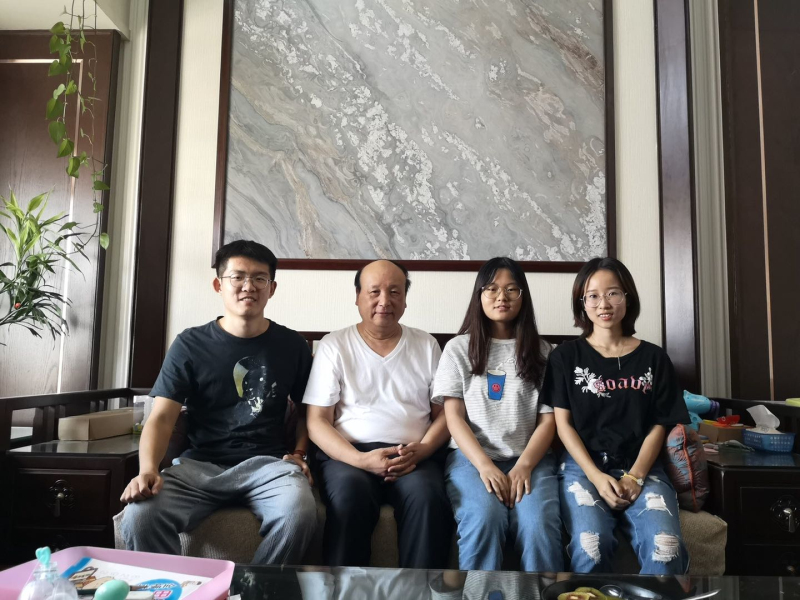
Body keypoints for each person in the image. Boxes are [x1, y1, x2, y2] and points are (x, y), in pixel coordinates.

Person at [118, 240, 316, 564]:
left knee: (300, 514)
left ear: (272, 288)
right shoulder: (190, 344)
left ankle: (255, 587)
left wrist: (299, 453)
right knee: (141, 517)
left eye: (259, 278)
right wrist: (148, 469)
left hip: (268, 465)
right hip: (199, 466)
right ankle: (174, 586)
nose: (248, 286)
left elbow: (309, 412)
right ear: (218, 285)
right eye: (237, 277)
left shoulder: (292, 345)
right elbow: (162, 417)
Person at [544, 256, 690, 574]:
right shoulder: (565, 357)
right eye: (593, 295)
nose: (604, 303)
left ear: (628, 297)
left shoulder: (654, 358)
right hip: (583, 469)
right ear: (582, 303)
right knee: (591, 545)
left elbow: (660, 424)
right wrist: (596, 477)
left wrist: (635, 476)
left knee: (666, 548)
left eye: (613, 293)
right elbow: (563, 424)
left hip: (642, 466)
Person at [303, 259, 452, 568]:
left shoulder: (426, 345)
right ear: (358, 297)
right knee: (349, 498)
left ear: (405, 299)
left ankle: (420, 590)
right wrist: (360, 460)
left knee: (428, 499)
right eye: (374, 292)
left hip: (412, 454)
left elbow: (445, 414)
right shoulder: (334, 345)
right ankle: (344, 589)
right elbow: (317, 422)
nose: (385, 301)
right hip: (349, 456)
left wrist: (423, 450)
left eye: (395, 292)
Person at [432, 257, 563, 572]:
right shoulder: (458, 349)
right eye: (491, 289)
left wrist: (525, 466)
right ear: (479, 295)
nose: (501, 297)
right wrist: (485, 466)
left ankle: (540, 593)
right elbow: (453, 417)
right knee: (484, 518)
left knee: (538, 524)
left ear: (523, 296)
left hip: (531, 459)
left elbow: (548, 420)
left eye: (511, 289)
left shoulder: (544, 352)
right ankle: (479, 592)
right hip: (471, 459)